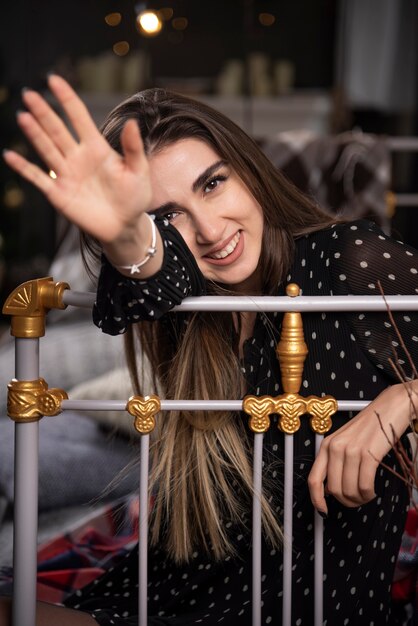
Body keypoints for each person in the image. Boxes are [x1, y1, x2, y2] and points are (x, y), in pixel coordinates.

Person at [2, 74, 418, 625]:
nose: (209, 230)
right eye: (167, 214)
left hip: (301, 608)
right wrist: (129, 236)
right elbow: (148, 272)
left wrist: (403, 401)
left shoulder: (347, 258)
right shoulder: (187, 300)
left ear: (246, 168)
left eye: (212, 184)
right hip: (172, 584)